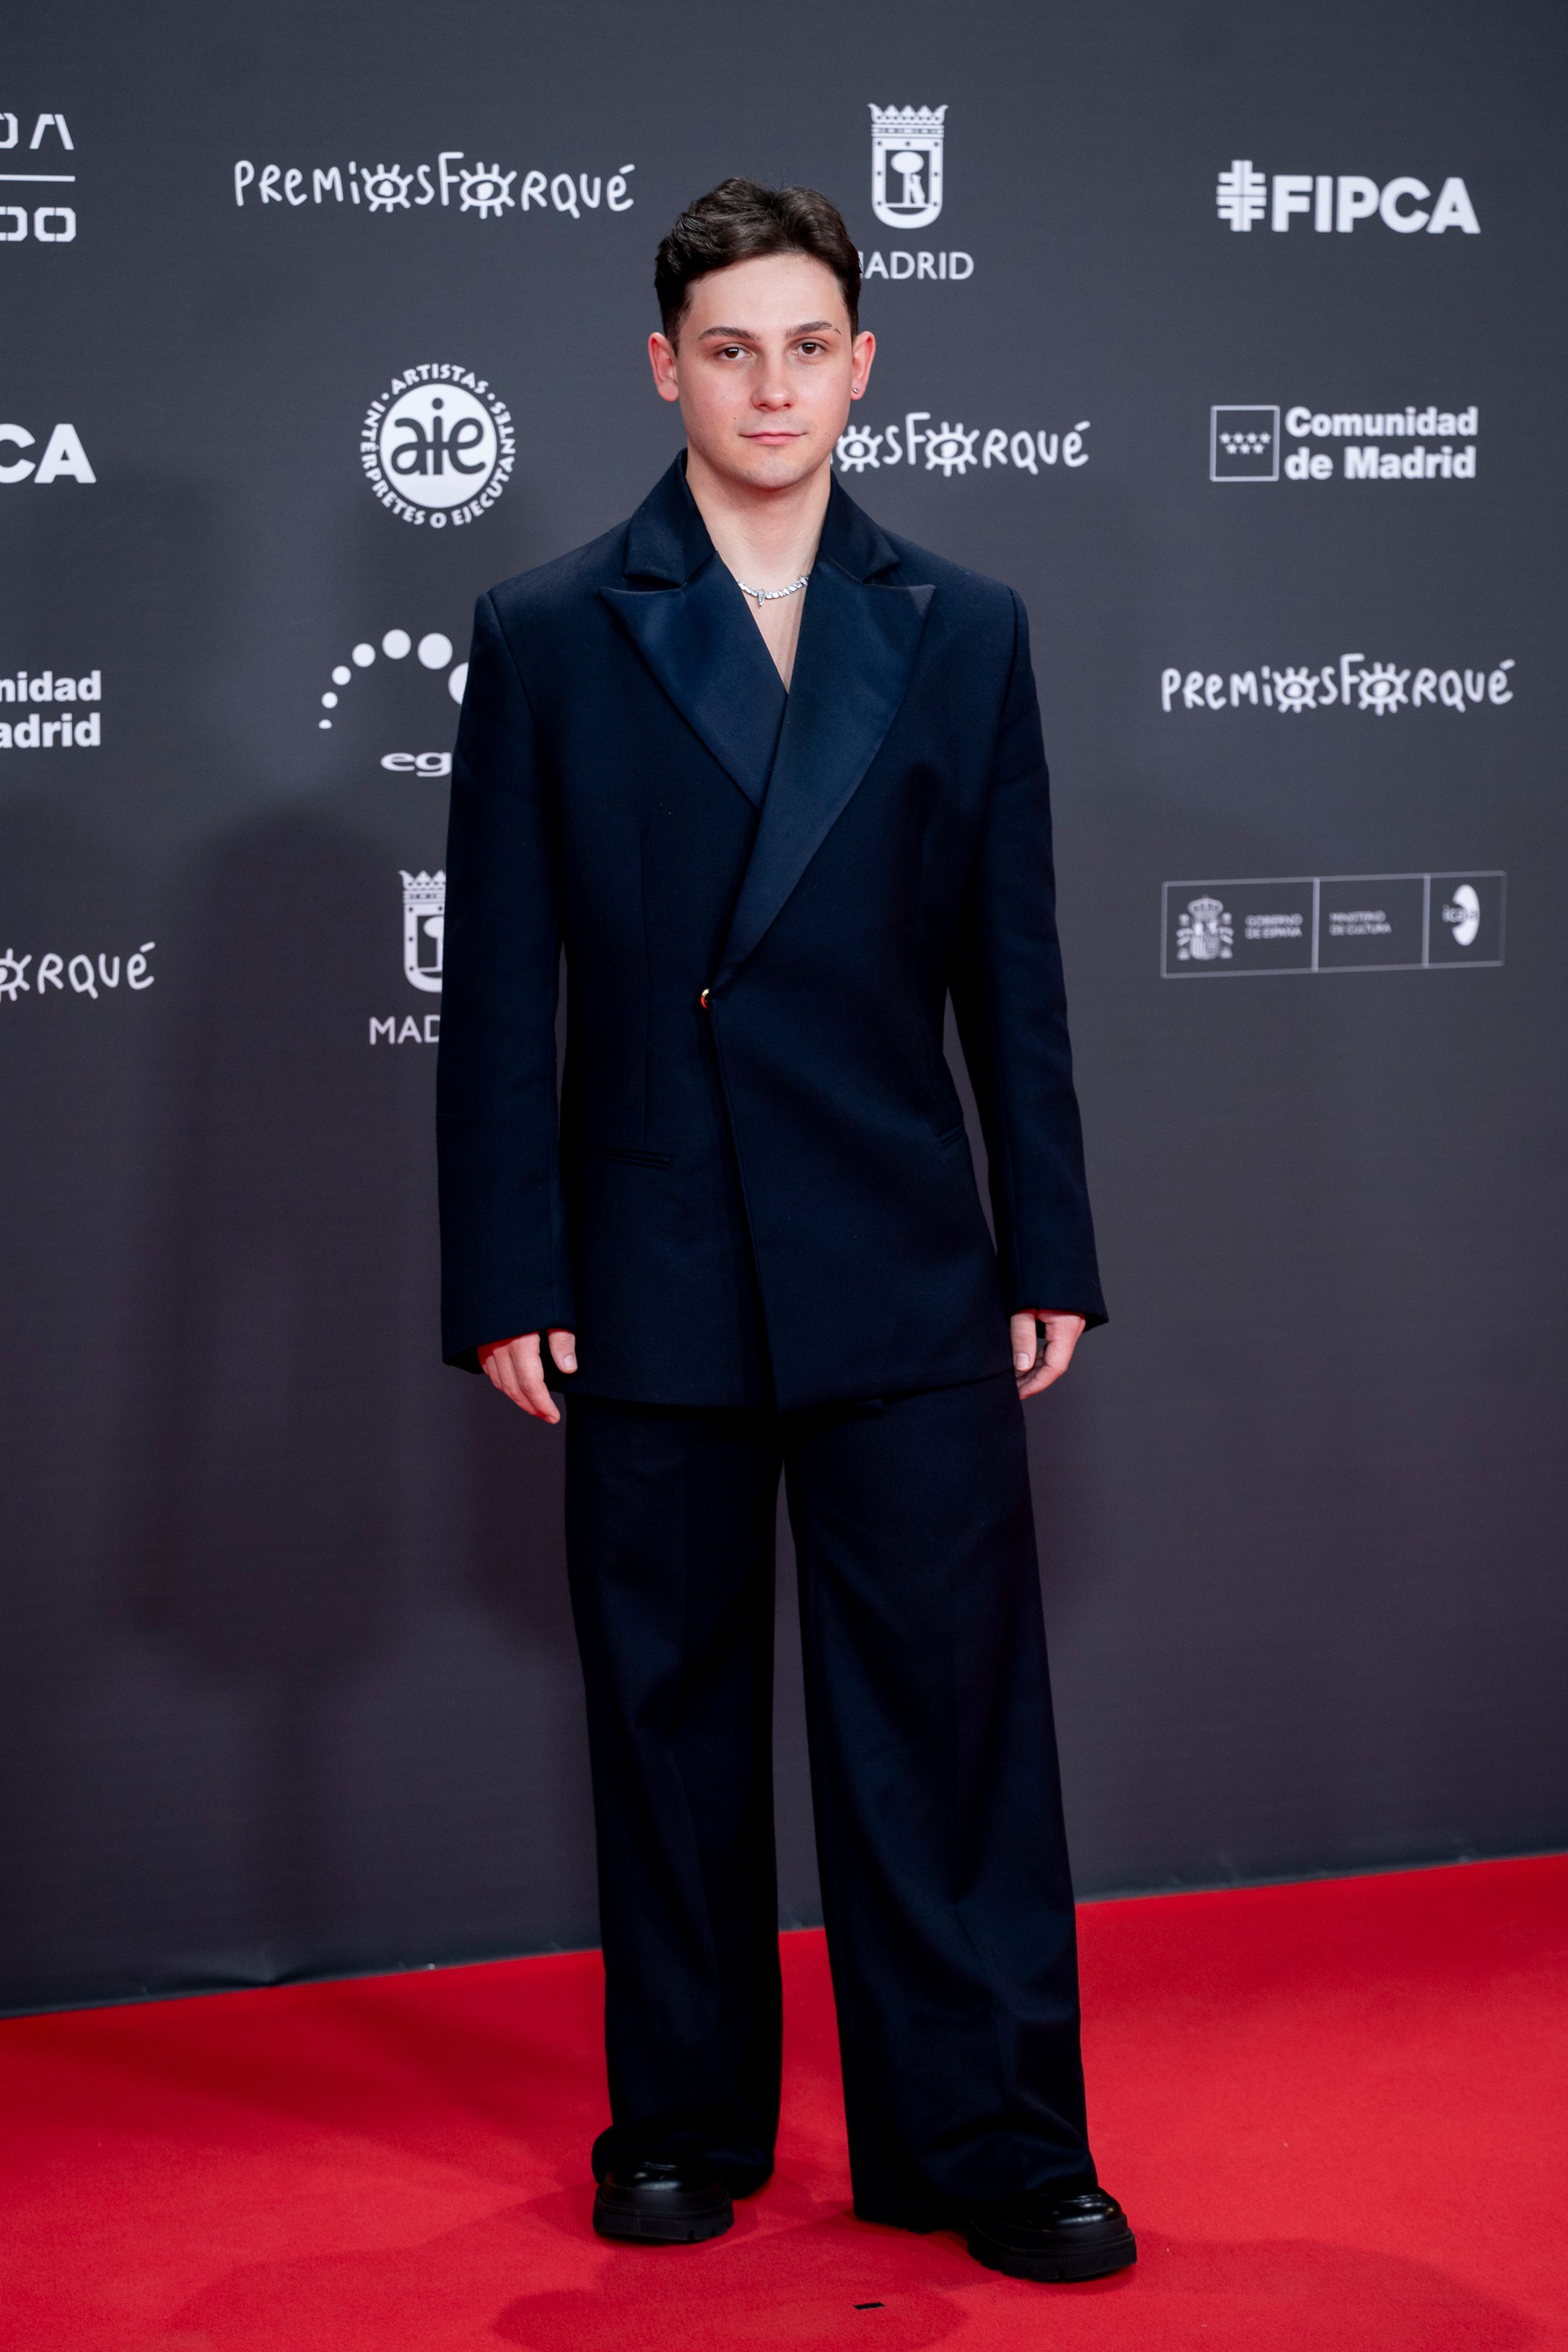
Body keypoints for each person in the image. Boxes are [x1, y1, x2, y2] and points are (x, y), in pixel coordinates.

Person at [436, 178, 1133, 2286]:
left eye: (803, 344)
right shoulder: (552, 628)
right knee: (668, 1717)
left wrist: (1049, 1245)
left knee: (946, 1716)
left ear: (861, 365)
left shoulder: (968, 626)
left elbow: (1011, 973)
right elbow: (499, 994)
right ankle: (678, 2121)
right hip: (647, 1257)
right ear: (664, 368)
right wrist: (505, 1275)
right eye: (724, 347)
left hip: (903, 1255)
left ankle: (993, 2138)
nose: (767, 384)